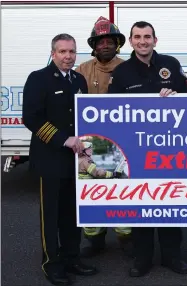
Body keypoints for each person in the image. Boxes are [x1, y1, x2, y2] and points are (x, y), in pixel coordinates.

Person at [107, 21, 187, 277]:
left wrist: (175, 94)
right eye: (137, 37)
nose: (143, 41)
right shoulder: (121, 72)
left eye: (147, 37)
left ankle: (172, 256)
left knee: (170, 203)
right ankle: (142, 258)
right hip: (136, 151)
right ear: (131, 42)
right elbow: (111, 114)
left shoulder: (171, 64)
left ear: (156, 40)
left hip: (170, 150)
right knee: (141, 204)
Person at [22, 33, 98, 286]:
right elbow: (31, 118)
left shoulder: (79, 80)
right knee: (51, 216)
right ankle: (51, 263)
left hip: (74, 161)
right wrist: (62, 139)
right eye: (63, 52)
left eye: (72, 52)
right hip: (50, 159)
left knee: (71, 214)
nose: (68, 56)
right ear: (53, 53)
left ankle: (71, 258)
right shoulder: (38, 79)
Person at [75, 15, 132, 259]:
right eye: (100, 41)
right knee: (91, 194)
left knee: (123, 194)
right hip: (90, 145)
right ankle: (94, 239)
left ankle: (126, 239)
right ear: (93, 45)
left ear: (118, 43)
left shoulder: (129, 70)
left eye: (110, 41)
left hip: (122, 145)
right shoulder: (81, 70)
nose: (105, 45)